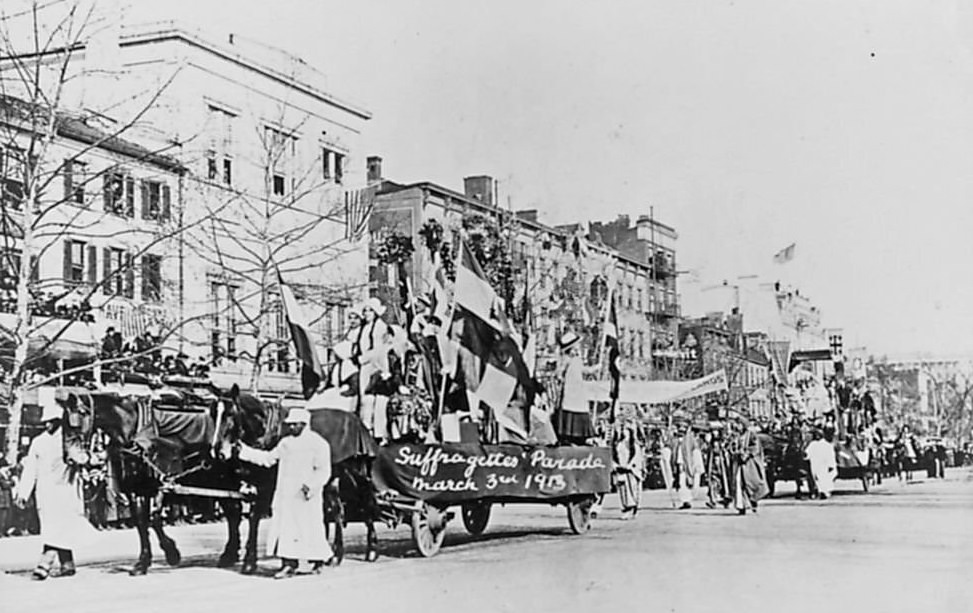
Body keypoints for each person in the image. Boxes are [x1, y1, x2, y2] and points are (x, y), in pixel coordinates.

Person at [232, 408, 334, 578]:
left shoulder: (318, 444)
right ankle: (288, 564)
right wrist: (244, 451)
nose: (291, 427)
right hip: (286, 495)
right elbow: (268, 459)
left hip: (306, 496)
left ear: (304, 424)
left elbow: (324, 471)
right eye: (290, 424)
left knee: (309, 528)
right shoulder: (286, 443)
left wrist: (311, 486)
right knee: (287, 529)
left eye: (295, 424)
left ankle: (318, 560)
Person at [14, 389, 99, 579]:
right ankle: (67, 564)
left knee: (60, 527)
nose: (47, 425)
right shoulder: (38, 442)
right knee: (54, 527)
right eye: (46, 422)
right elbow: (30, 469)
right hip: (45, 492)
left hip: (66, 492)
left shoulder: (70, 440)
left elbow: (82, 458)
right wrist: (23, 493)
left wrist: (90, 459)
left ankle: (45, 562)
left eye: (51, 421)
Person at [552, 332, 595, 444]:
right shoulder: (566, 360)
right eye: (575, 348)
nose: (576, 350)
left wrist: (595, 368)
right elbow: (559, 372)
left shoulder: (577, 360)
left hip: (578, 391)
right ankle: (568, 434)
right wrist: (560, 377)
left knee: (580, 407)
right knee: (570, 408)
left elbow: (585, 370)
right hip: (569, 391)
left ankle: (579, 435)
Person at [729, 417, 769, 514]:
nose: (736, 426)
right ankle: (741, 506)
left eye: (738, 424)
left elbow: (756, 447)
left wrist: (746, 454)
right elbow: (731, 446)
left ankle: (753, 500)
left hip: (749, 464)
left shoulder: (751, 435)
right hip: (738, 464)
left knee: (751, 483)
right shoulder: (735, 436)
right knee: (739, 483)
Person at [613, 422, 644, 519]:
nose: (624, 433)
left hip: (631, 470)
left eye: (627, 431)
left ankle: (632, 509)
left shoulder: (634, 446)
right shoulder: (618, 444)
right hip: (621, 469)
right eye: (623, 431)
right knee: (622, 490)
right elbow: (614, 455)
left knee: (632, 490)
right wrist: (616, 465)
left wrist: (630, 466)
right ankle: (625, 509)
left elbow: (637, 457)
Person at [671, 421, 701, 509]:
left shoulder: (690, 439)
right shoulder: (676, 440)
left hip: (688, 463)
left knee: (687, 482)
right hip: (680, 463)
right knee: (681, 482)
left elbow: (694, 451)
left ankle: (688, 500)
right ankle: (685, 501)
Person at [704, 424, 732, 509]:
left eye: (716, 430)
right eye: (713, 431)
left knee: (724, 482)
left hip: (722, 465)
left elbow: (728, 452)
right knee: (713, 482)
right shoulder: (710, 444)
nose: (714, 432)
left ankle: (726, 499)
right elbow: (707, 453)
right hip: (713, 465)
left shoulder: (723, 442)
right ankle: (713, 500)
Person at [805, 428, 837, 499]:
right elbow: (807, 454)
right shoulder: (813, 444)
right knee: (820, 478)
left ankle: (824, 492)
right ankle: (821, 492)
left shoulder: (825, 445)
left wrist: (831, 465)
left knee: (822, 478)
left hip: (821, 465)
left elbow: (807, 455)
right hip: (817, 464)